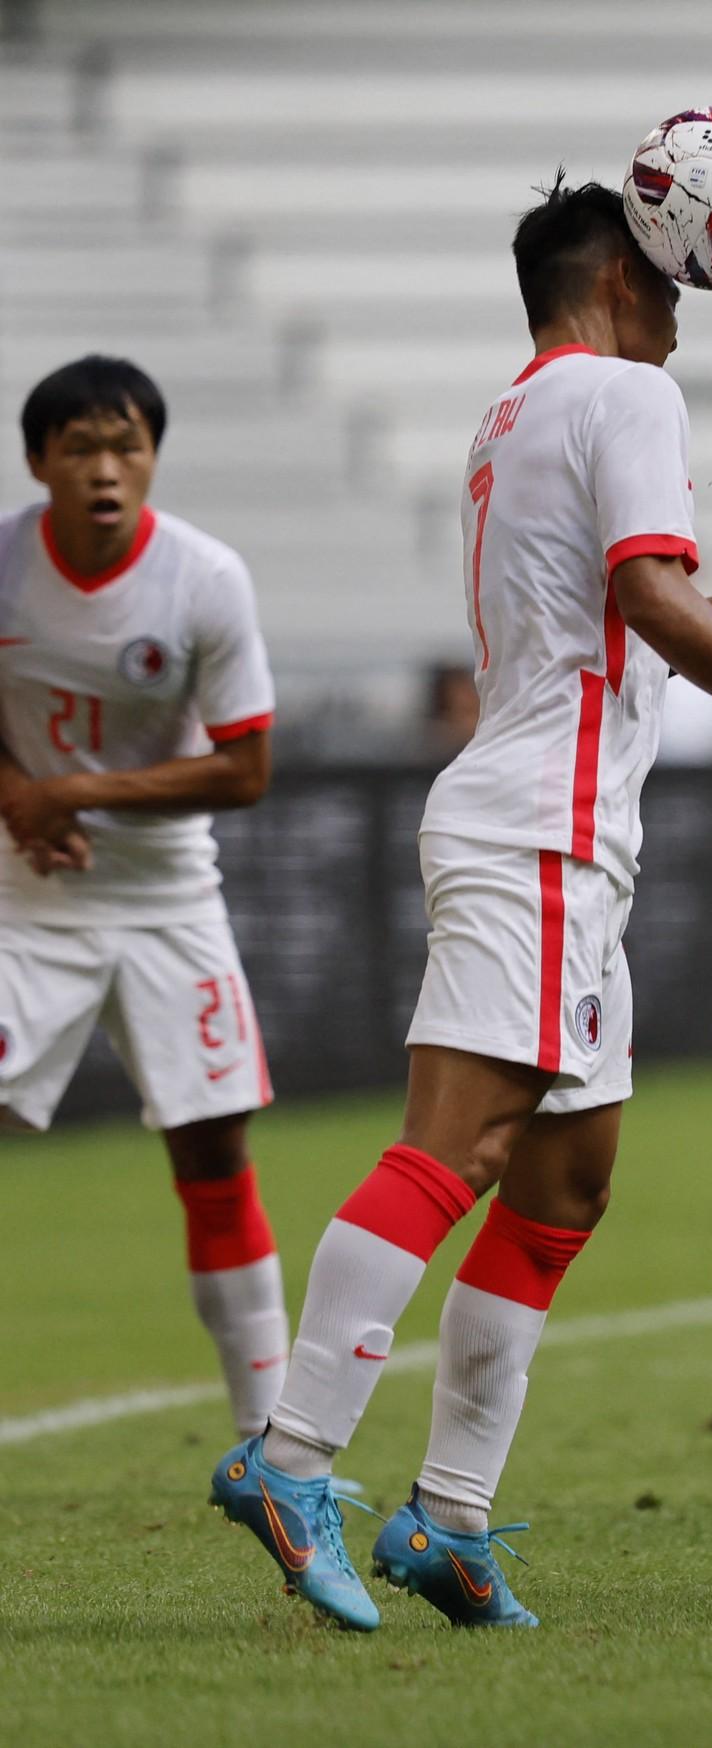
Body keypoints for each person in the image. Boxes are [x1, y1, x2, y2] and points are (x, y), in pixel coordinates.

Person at [212, 176, 712, 1632]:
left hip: (569, 846)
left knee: (563, 1182)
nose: (684, 307)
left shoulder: (529, 406)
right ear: (611, 275)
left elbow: (654, 623)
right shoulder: (623, 398)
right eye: (669, 279)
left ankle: (448, 1520)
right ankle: (289, 1461)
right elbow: (656, 603)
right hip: (538, 833)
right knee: (455, 1155)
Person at [0, 355, 285, 1445]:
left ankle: (272, 1446)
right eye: (82, 449)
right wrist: (20, 797)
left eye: (127, 447)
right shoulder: (2, 565)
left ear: (154, 457)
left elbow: (247, 769)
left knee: (214, 1155)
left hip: (170, 903)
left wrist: (73, 789)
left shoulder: (206, 577)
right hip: (27, 900)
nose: (107, 471)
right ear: (40, 462)